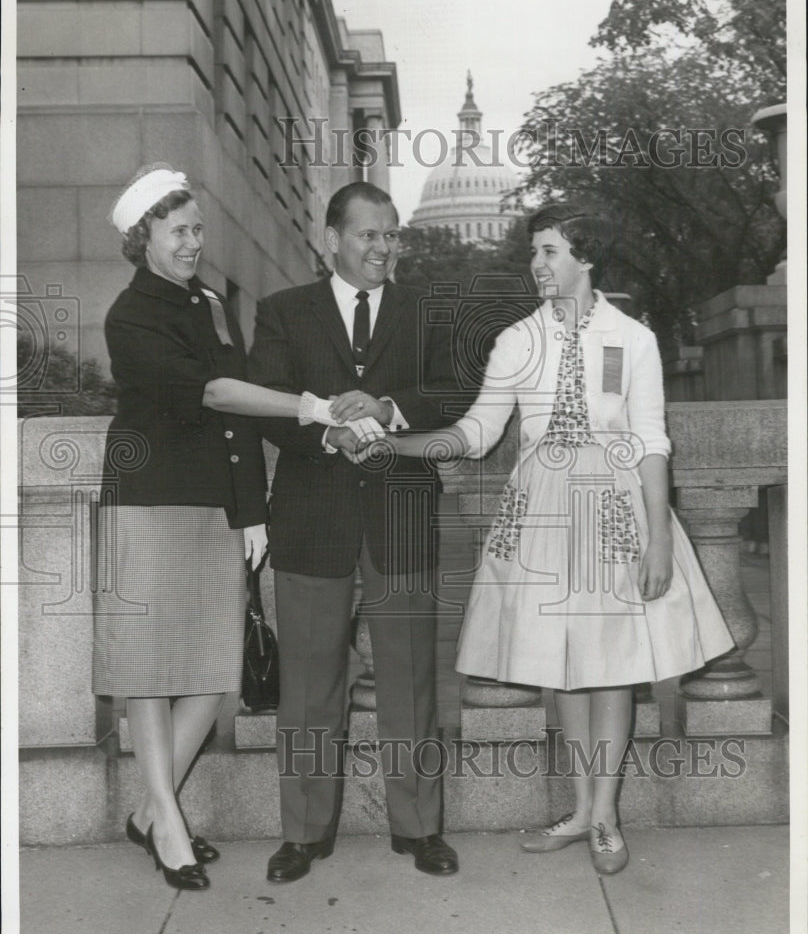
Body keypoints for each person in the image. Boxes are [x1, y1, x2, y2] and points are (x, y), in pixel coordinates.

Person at [376, 203, 734, 875]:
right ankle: (580, 809)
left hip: (614, 510)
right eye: (534, 252)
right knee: (564, 667)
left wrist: (659, 538)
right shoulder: (517, 340)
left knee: (613, 666)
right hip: (541, 511)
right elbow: (479, 432)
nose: (536, 264)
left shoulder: (632, 339)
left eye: (549, 251)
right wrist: (395, 443)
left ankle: (605, 816)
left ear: (585, 258)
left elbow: (651, 440)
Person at [93, 164, 366, 890]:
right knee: (150, 672)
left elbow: (238, 424)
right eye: (178, 231)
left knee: (216, 672)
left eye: (198, 229)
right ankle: (168, 824)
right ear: (142, 237)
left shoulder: (211, 302)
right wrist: (310, 406)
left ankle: (150, 814)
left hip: (216, 504)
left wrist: (252, 512)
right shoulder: (130, 315)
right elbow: (214, 393)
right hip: (148, 500)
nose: (193, 242)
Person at [247, 181, 461, 882]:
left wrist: (389, 406)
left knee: (411, 680)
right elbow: (268, 404)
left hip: (402, 515)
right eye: (369, 234)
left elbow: (455, 391)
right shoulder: (283, 312)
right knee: (309, 686)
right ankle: (303, 835)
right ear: (332, 239)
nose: (383, 247)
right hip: (313, 517)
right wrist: (328, 433)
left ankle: (420, 828)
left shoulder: (425, 310)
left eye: (391, 234)